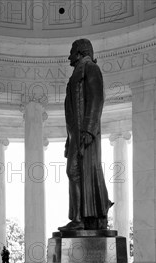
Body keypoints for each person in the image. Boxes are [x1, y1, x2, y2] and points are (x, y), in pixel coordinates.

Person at [58, 38, 113, 231]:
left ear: (80, 52)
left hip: (86, 134)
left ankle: (82, 219)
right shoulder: (76, 73)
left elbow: (97, 98)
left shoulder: (90, 68)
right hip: (76, 135)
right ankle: (78, 219)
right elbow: (71, 111)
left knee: (79, 172)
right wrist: (68, 140)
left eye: (72, 51)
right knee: (73, 172)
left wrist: (89, 129)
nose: (69, 56)